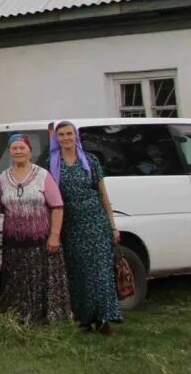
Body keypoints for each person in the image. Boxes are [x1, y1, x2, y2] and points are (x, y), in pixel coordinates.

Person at [52, 120, 122, 334]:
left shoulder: (90, 161)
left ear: (76, 136)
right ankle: (84, 319)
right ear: (57, 138)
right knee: (78, 273)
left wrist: (113, 227)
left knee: (101, 272)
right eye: (61, 135)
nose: (65, 138)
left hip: (96, 222)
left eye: (69, 134)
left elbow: (103, 194)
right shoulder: (52, 164)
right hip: (71, 226)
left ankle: (104, 319)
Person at [0, 133, 71, 325]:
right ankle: (18, 319)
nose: (18, 151)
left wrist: (54, 236)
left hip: (41, 242)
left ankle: (45, 319)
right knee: (17, 283)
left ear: (30, 151)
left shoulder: (43, 175)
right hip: (13, 244)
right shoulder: (3, 178)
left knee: (41, 282)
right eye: (14, 148)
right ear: (9, 151)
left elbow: (57, 207)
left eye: (22, 147)